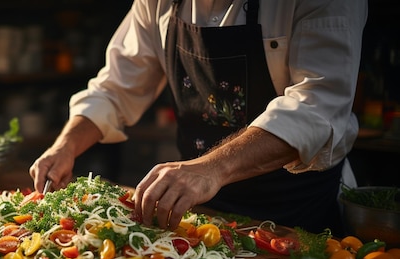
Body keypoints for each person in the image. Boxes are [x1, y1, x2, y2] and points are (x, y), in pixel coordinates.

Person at [29, 0, 367, 235]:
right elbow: (115, 87)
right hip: (201, 211)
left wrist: (213, 168)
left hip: (300, 210)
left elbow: (317, 106)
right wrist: (66, 146)